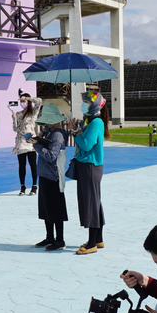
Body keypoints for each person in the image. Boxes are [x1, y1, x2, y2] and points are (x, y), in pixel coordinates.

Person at [70, 89, 109, 255]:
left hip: (90, 166)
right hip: (87, 165)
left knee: (91, 204)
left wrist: (77, 133)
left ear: (95, 104)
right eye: (84, 102)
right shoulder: (89, 120)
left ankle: (92, 242)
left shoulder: (96, 122)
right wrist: (77, 129)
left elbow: (86, 144)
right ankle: (98, 238)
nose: (84, 105)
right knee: (94, 202)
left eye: (87, 102)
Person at [30, 105, 69, 251]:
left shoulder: (58, 135)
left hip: (53, 177)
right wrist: (41, 137)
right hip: (46, 176)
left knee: (55, 210)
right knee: (46, 208)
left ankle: (59, 240)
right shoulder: (51, 133)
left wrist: (37, 145)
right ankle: (50, 237)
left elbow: (51, 156)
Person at [12, 94, 40, 196]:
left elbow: (39, 101)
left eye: (24, 101)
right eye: (21, 101)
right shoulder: (18, 114)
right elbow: (15, 129)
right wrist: (14, 119)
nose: (22, 102)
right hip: (20, 142)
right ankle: (22, 186)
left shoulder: (33, 113)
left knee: (33, 165)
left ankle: (34, 186)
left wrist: (28, 98)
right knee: (21, 165)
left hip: (30, 141)